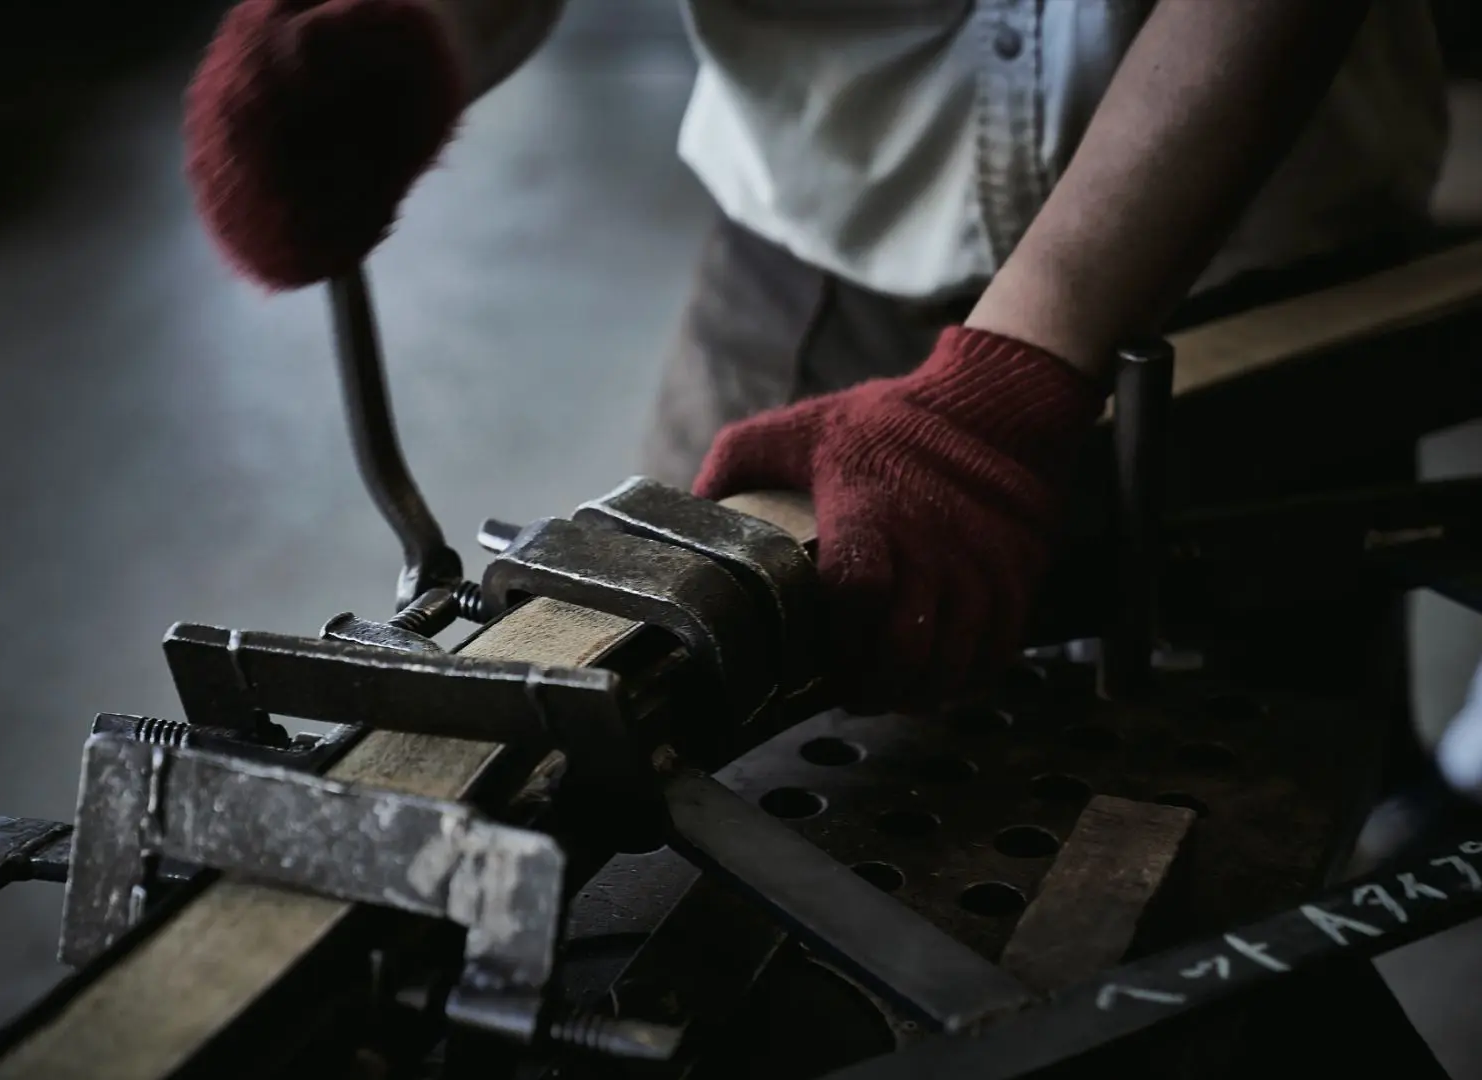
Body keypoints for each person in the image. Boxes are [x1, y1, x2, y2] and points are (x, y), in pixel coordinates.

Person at [186, 0, 1449, 715]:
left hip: (1242, 265)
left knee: (1231, 829)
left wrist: (1017, 370)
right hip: (812, 252)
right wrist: (410, 32)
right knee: (671, 724)